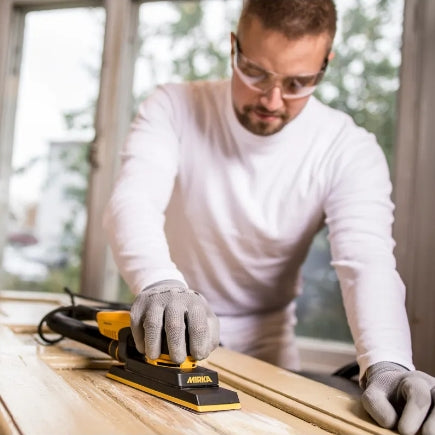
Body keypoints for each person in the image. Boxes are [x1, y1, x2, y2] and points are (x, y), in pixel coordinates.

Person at [103, 1, 435, 433]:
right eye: (255, 72)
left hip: (269, 343)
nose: (272, 100)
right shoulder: (174, 106)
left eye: (299, 82)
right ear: (233, 48)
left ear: (325, 65)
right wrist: (159, 281)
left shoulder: (348, 149)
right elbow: (133, 202)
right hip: (168, 328)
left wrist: (387, 362)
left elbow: (366, 263)